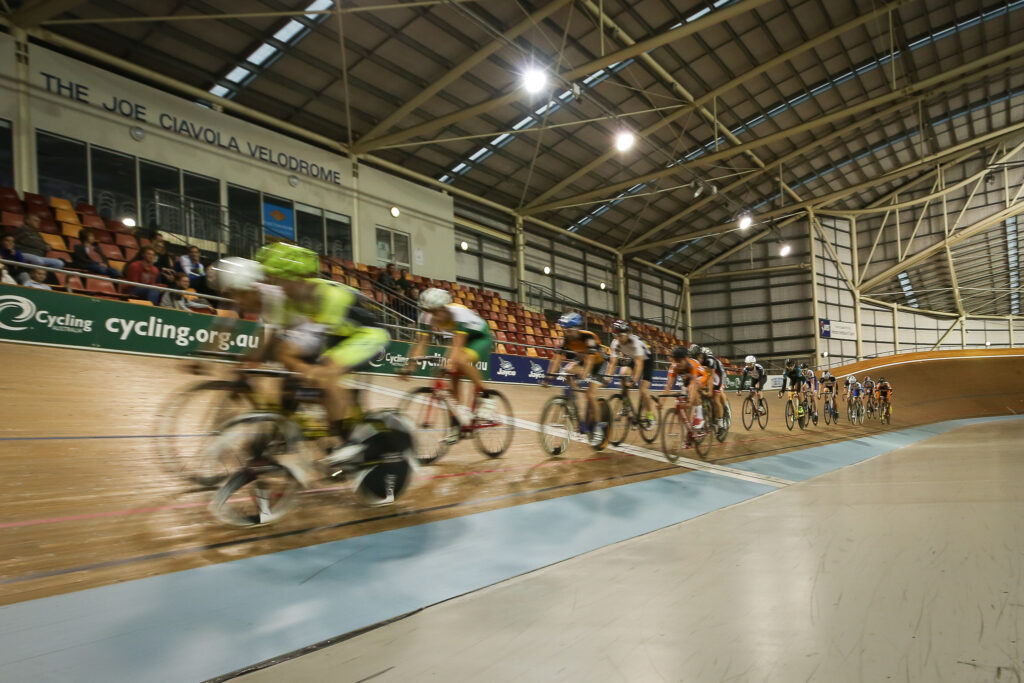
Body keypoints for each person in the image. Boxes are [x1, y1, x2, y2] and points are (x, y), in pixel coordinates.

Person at [404, 287, 496, 429]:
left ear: (445, 308)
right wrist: (410, 365)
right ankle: (461, 413)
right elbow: (421, 342)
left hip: (479, 337)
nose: (432, 316)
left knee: (458, 361)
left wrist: (449, 364)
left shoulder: (459, 313)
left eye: (435, 312)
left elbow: (457, 345)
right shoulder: (426, 316)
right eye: (429, 312)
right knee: (453, 374)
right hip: (461, 338)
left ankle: (487, 398)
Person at [543, 311, 607, 446]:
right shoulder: (566, 339)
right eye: (564, 329)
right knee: (567, 370)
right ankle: (574, 406)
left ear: (576, 328)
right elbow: (557, 358)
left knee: (590, 394)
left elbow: (590, 359)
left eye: (568, 329)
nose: (565, 332)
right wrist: (548, 376)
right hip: (584, 361)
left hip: (599, 364)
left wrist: (585, 374)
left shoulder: (589, 337)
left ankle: (598, 428)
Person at [606, 320, 655, 424]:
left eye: (621, 335)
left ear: (628, 334)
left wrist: (634, 380)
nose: (618, 338)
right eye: (616, 335)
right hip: (634, 358)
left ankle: (650, 416)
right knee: (622, 375)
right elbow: (612, 363)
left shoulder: (635, 343)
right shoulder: (615, 343)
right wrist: (607, 377)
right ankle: (626, 406)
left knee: (643, 390)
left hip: (647, 360)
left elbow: (639, 364)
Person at [661, 345, 710, 431]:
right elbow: (668, 385)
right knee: (683, 396)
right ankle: (690, 430)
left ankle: (699, 417)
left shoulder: (692, 365)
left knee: (693, 388)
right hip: (688, 378)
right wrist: (662, 402)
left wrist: (690, 402)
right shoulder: (674, 367)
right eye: (675, 361)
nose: (677, 364)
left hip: (701, 376)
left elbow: (693, 383)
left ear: (685, 359)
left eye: (679, 361)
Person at [692, 344, 728, 432]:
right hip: (707, 376)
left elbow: (712, 376)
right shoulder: (697, 361)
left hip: (716, 376)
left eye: (701, 357)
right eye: (698, 357)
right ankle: (705, 417)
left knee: (715, 399)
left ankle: (720, 423)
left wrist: (710, 390)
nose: (699, 358)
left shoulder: (710, 360)